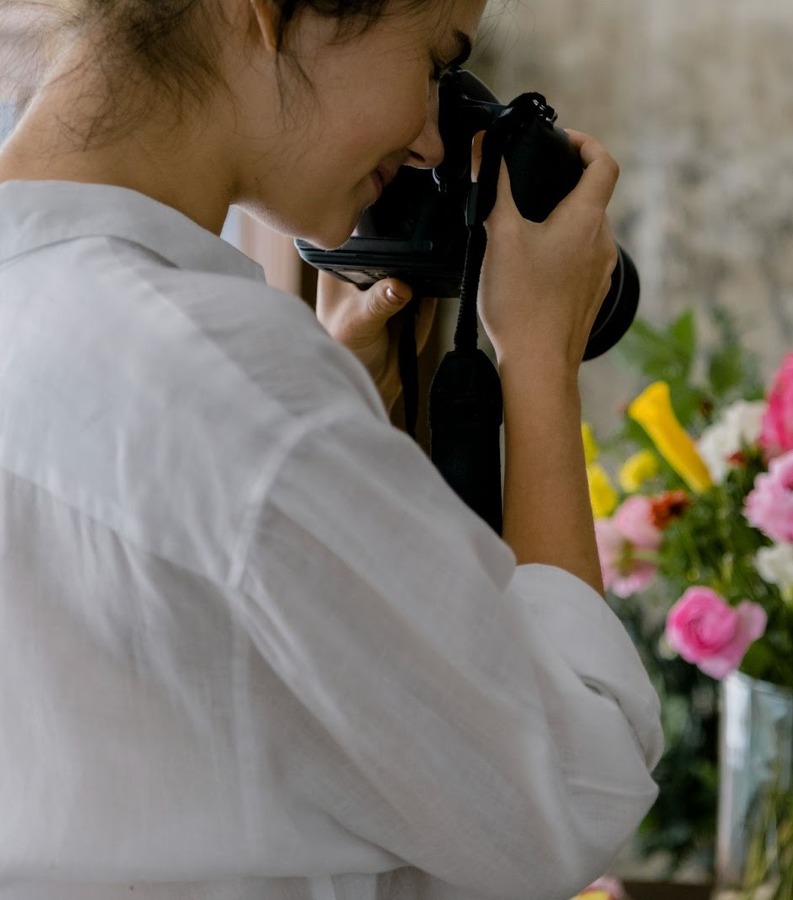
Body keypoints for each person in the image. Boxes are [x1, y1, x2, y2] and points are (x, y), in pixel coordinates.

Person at [0, 1, 662, 899]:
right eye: (434, 62)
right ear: (268, 13)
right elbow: (572, 796)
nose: (434, 138)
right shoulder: (233, 384)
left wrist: (338, 446)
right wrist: (540, 357)